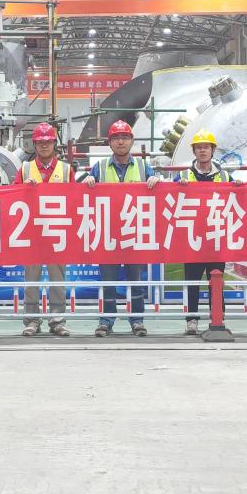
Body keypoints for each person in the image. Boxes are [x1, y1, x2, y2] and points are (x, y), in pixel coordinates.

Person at [81, 119, 161, 337]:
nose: (120, 142)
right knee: (108, 282)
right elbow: (81, 194)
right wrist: (88, 182)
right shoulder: (99, 168)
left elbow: (161, 193)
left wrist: (156, 181)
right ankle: (106, 321)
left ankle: (137, 321)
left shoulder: (144, 168)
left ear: (131, 141)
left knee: (136, 281)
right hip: (108, 234)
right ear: (110, 143)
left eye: (124, 137)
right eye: (116, 138)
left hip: (134, 233)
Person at [14, 122, 71, 338]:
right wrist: (23, 188)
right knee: (31, 281)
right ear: (34, 145)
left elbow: (75, 199)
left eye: (48, 142)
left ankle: (57, 321)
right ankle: (31, 321)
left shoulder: (65, 170)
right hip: (32, 234)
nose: (44, 145)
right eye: (40, 142)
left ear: (54, 143)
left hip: (57, 232)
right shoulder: (25, 169)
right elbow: (12, 197)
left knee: (58, 280)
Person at [174, 130, 233, 336]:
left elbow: (239, 197)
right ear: (194, 151)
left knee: (216, 280)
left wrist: (239, 186)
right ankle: (191, 320)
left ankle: (218, 317)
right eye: (199, 147)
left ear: (213, 150)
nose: (202, 151)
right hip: (192, 239)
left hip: (216, 238)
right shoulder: (183, 176)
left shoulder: (224, 176)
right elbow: (167, 197)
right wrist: (177, 187)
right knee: (192, 282)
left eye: (206, 147)